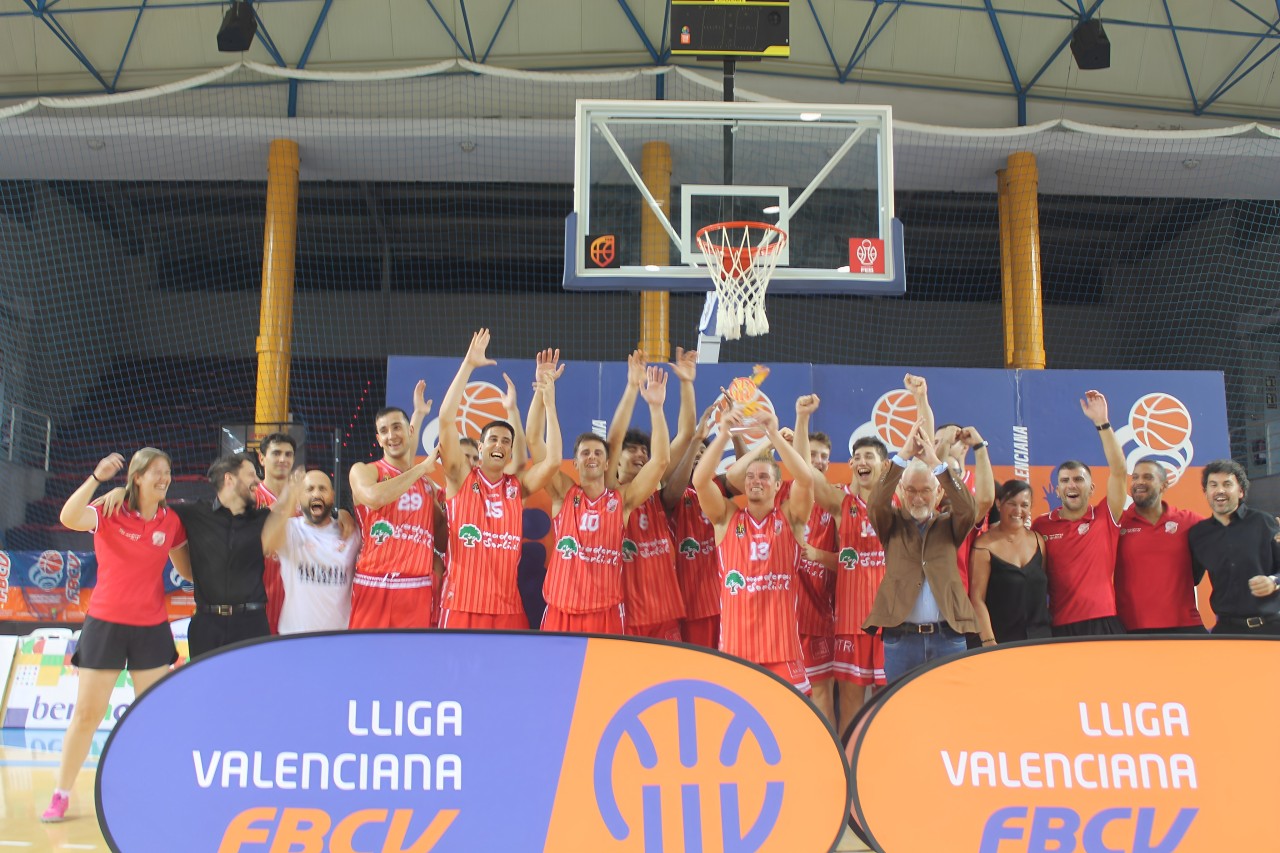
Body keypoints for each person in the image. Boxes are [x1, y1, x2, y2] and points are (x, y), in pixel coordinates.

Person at [43, 450, 190, 822]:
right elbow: (68, 517)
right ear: (137, 477)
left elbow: (187, 570)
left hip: (151, 627)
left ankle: (151, 788)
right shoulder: (108, 511)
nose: (164, 478)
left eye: (168, 472)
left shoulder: (171, 521)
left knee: (151, 715)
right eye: (156, 472)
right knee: (87, 714)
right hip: (105, 624)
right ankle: (61, 794)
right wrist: (96, 478)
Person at [435, 329, 563, 629]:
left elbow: (554, 460)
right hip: (460, 606)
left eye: (506, 441)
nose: (499, 445)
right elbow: (445, 419)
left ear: (509, 454)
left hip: (508, 611)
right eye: (492, 439)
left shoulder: (517, 489)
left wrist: (548, 400)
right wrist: (468, 364)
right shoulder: (460, 479)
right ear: (479, 448)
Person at [536, 364, 670, 633]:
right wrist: (547, 402)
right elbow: (536, 446)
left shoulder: (622, 501)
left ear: (609, 463)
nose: (592, 457)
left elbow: (661, 461)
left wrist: (656, 408)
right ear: (574, 462)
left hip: (606, 614)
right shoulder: (564, 493)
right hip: (560, 611)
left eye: (598, 452)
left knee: (608, 677)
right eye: (585, 453)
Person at [693, 407, 815, 694]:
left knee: (786, 727)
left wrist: (773, 434)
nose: (755, 481)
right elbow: (700, 481)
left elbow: (806, 479)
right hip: (736, 650)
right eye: (750, 476)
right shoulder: (726, 518)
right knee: (738, 726)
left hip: (782, 650)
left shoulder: (791, 518)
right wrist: (722, 434)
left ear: (776, 485)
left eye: (763, 476)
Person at [863, 421, 980, 683]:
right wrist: (903, 456)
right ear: (902, 493)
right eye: (912, 491)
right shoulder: (890, 522)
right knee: (900, 713)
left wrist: (938, 463)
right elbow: (876, 502)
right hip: (901, 640)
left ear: (938, 493)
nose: (918, 498)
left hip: (947, 638)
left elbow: (969, 509)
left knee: (949, 712)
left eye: (925, 490)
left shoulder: (951, 524)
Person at [1031, 390, 1128, 636]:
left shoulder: (1107, 516)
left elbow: (1119, 471)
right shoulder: (1041, 526)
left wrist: (1102, 423)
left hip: (1104, 622)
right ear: (1058, 488)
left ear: (1091, 487)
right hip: (1059, 626)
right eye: (1064, 481)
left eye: (1078, 479)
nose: (1071, 485)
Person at [348, 382, 439, 629]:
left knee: (410, 663)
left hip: (415, 588)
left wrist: (419, 414)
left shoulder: (426, 485)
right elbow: (374, 498)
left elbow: (441, 539)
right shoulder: (364, 470)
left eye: (397, 427)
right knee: (366, 660)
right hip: (373, 584)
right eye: (384, 431)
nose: (391, 435)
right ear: (378, 439)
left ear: (410, 431)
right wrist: (421, 468)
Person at [607, 349, 683, 641]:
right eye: (632, 449)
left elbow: (662, 460)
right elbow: (613, 444)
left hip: (665, 610)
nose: (640, 454)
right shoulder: (613, 496)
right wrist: (630, 388)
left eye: (643, 450)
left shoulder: (654, 493)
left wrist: (657, 407)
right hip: (628, 612)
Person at [828, 435, 891, 734]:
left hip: (892, 624)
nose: (862, 462)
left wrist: (920, 400)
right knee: (850, 711)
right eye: (857, 457)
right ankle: (847, 771)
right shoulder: (842, 504)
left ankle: (878, 769)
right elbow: (805, 474)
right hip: (852, 623)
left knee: (886, 708)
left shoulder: (901, 500)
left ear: (886, 464)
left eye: (869, 456)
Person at [261, 469, 361, 634]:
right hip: (295, 637)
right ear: (300, 497)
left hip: (339, 636)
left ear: (333, 495)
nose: (316, 494)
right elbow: (267, 543)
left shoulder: (350, 533)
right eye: (309, 489)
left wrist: (345, 514)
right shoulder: (290, 529)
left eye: (322, 489)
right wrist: (291, 497)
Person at [1188, 459, 1280, 635]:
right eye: (1213, 485)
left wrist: (1273, 582)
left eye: (1227, 484)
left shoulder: (1265, 522)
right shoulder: (1198, 535)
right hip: (1226, 631)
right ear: (1206, 492)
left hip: (1272, 629)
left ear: (1240, 491)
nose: (1219, 490)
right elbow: (1189, 578)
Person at [1115, 458, 1206, 633]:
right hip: (1132, 628)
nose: (1139, 482)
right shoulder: (1118, 522)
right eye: (1135, 477)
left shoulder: (1189, 520)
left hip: (1185, 625)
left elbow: (1226, 531)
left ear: (1164, 485)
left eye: (1148, 477)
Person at [663, 403, 724, 649]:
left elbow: (744, 474)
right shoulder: (671, 494)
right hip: (685, 605)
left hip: (721, 602)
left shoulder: (719, 489)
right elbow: (671, 494)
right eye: (693, 452)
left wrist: (735, 433)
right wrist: (695, 441)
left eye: (703, 451)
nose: (698, 454)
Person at [969, 479, 1051, 645]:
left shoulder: (1038, 541)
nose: (1018, 510)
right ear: (999, 504)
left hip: (1040, 642)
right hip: (1000, 643)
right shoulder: (983, 546)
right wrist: (989, 641)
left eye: (1024, 505)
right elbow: (977, 599)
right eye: (1012, 503)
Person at [254, 431, 297, 634]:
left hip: (295, 605)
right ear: (261, 458)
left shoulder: (304, 500)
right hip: (257, 602)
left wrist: (342, 514)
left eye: (288, 454)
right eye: (276, 453)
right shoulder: (250, 499)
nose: (283, 459)